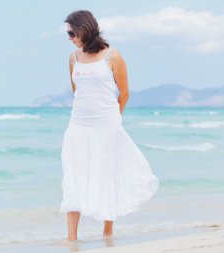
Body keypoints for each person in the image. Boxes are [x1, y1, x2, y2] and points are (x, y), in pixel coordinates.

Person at [60, 10, 159, 241]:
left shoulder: (112, 56)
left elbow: (124, 94)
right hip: (78, 125)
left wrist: (112, 120)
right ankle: (71, 237)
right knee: (73, 175)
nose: (70, 38)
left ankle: (108, 231)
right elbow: (78, 93)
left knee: (107, 175)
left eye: (72, 33)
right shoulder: (73, 58)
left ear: (85, 29)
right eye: (68, 34)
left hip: (108, 126)